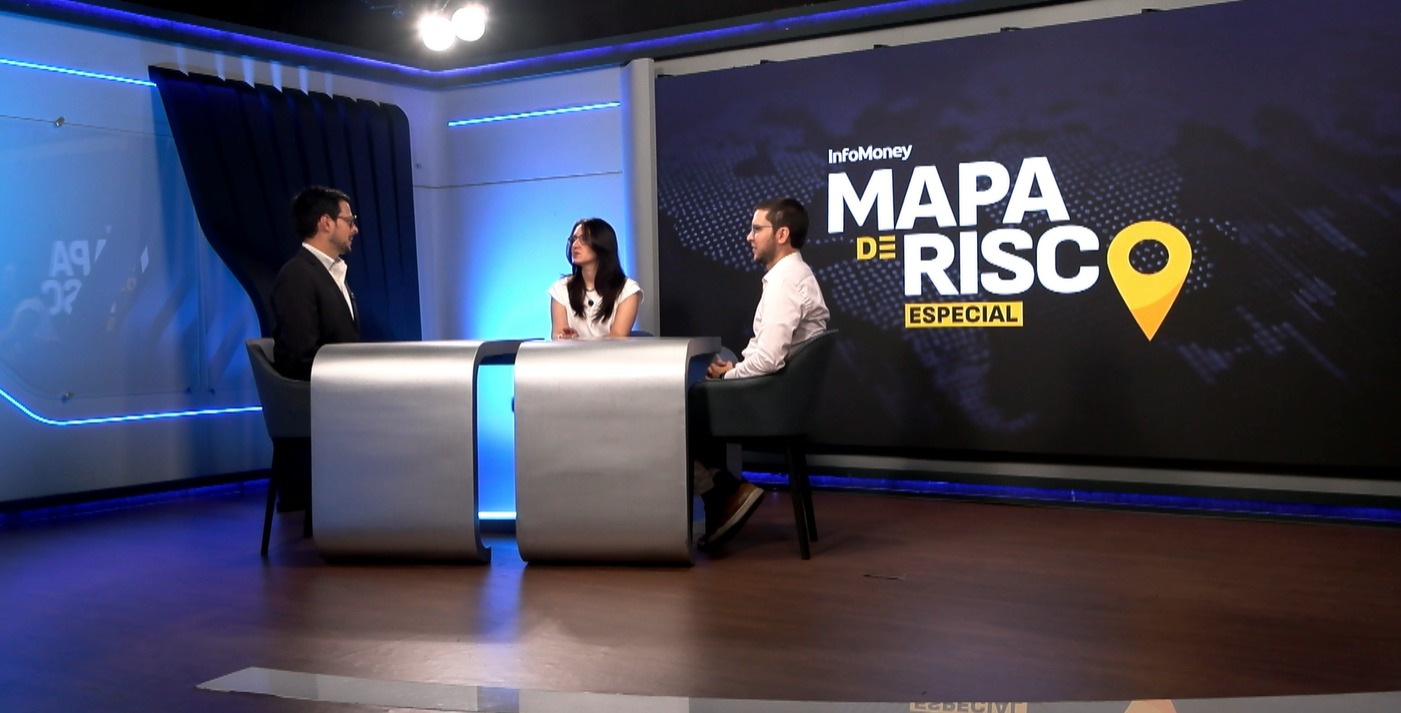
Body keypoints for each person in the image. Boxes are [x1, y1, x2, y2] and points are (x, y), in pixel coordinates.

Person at [694, 197, 830, 551]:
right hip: (778, 397)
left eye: (757, 229)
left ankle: (723, 492)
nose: (748, 236)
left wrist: (729, 377)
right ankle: (724, 491)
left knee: (677, 410)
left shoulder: (786, 282)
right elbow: (768, 352)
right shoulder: (793, 276)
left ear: (782, 234)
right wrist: (734, 369)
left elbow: (769, 359)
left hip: (771, 403)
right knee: (691, 403)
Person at [271, 186, 361, 380]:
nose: (355, 229)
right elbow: (302, 358)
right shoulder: (296, 276)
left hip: (347, 387)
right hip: (321, 392)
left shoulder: (333, 272)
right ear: (326, 223)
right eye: (349, 221)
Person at [548, 218, 642, 339]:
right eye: (573, 239)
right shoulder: (561, 288)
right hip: (571, 352)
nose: (575, 245)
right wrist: (566, 338)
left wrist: (579, 342)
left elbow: (617, 338)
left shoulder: (628, 290)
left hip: (610, 352)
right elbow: (558, 335)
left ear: (602, 244)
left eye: (583, 239)